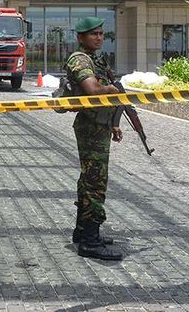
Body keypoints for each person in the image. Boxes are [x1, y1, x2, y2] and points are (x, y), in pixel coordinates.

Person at [64, 17, 124, 261]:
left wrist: (114, 123)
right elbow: (93, 91)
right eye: (93, 34)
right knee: (95, 182)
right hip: (90, 127)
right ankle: (89, 241)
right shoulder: (79, 59)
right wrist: (111, 90)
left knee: (89, 179)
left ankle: (82, 232)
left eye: (101, 33)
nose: (99, 37)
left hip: (100, 125)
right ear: (80, 37)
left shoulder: (97, 59)